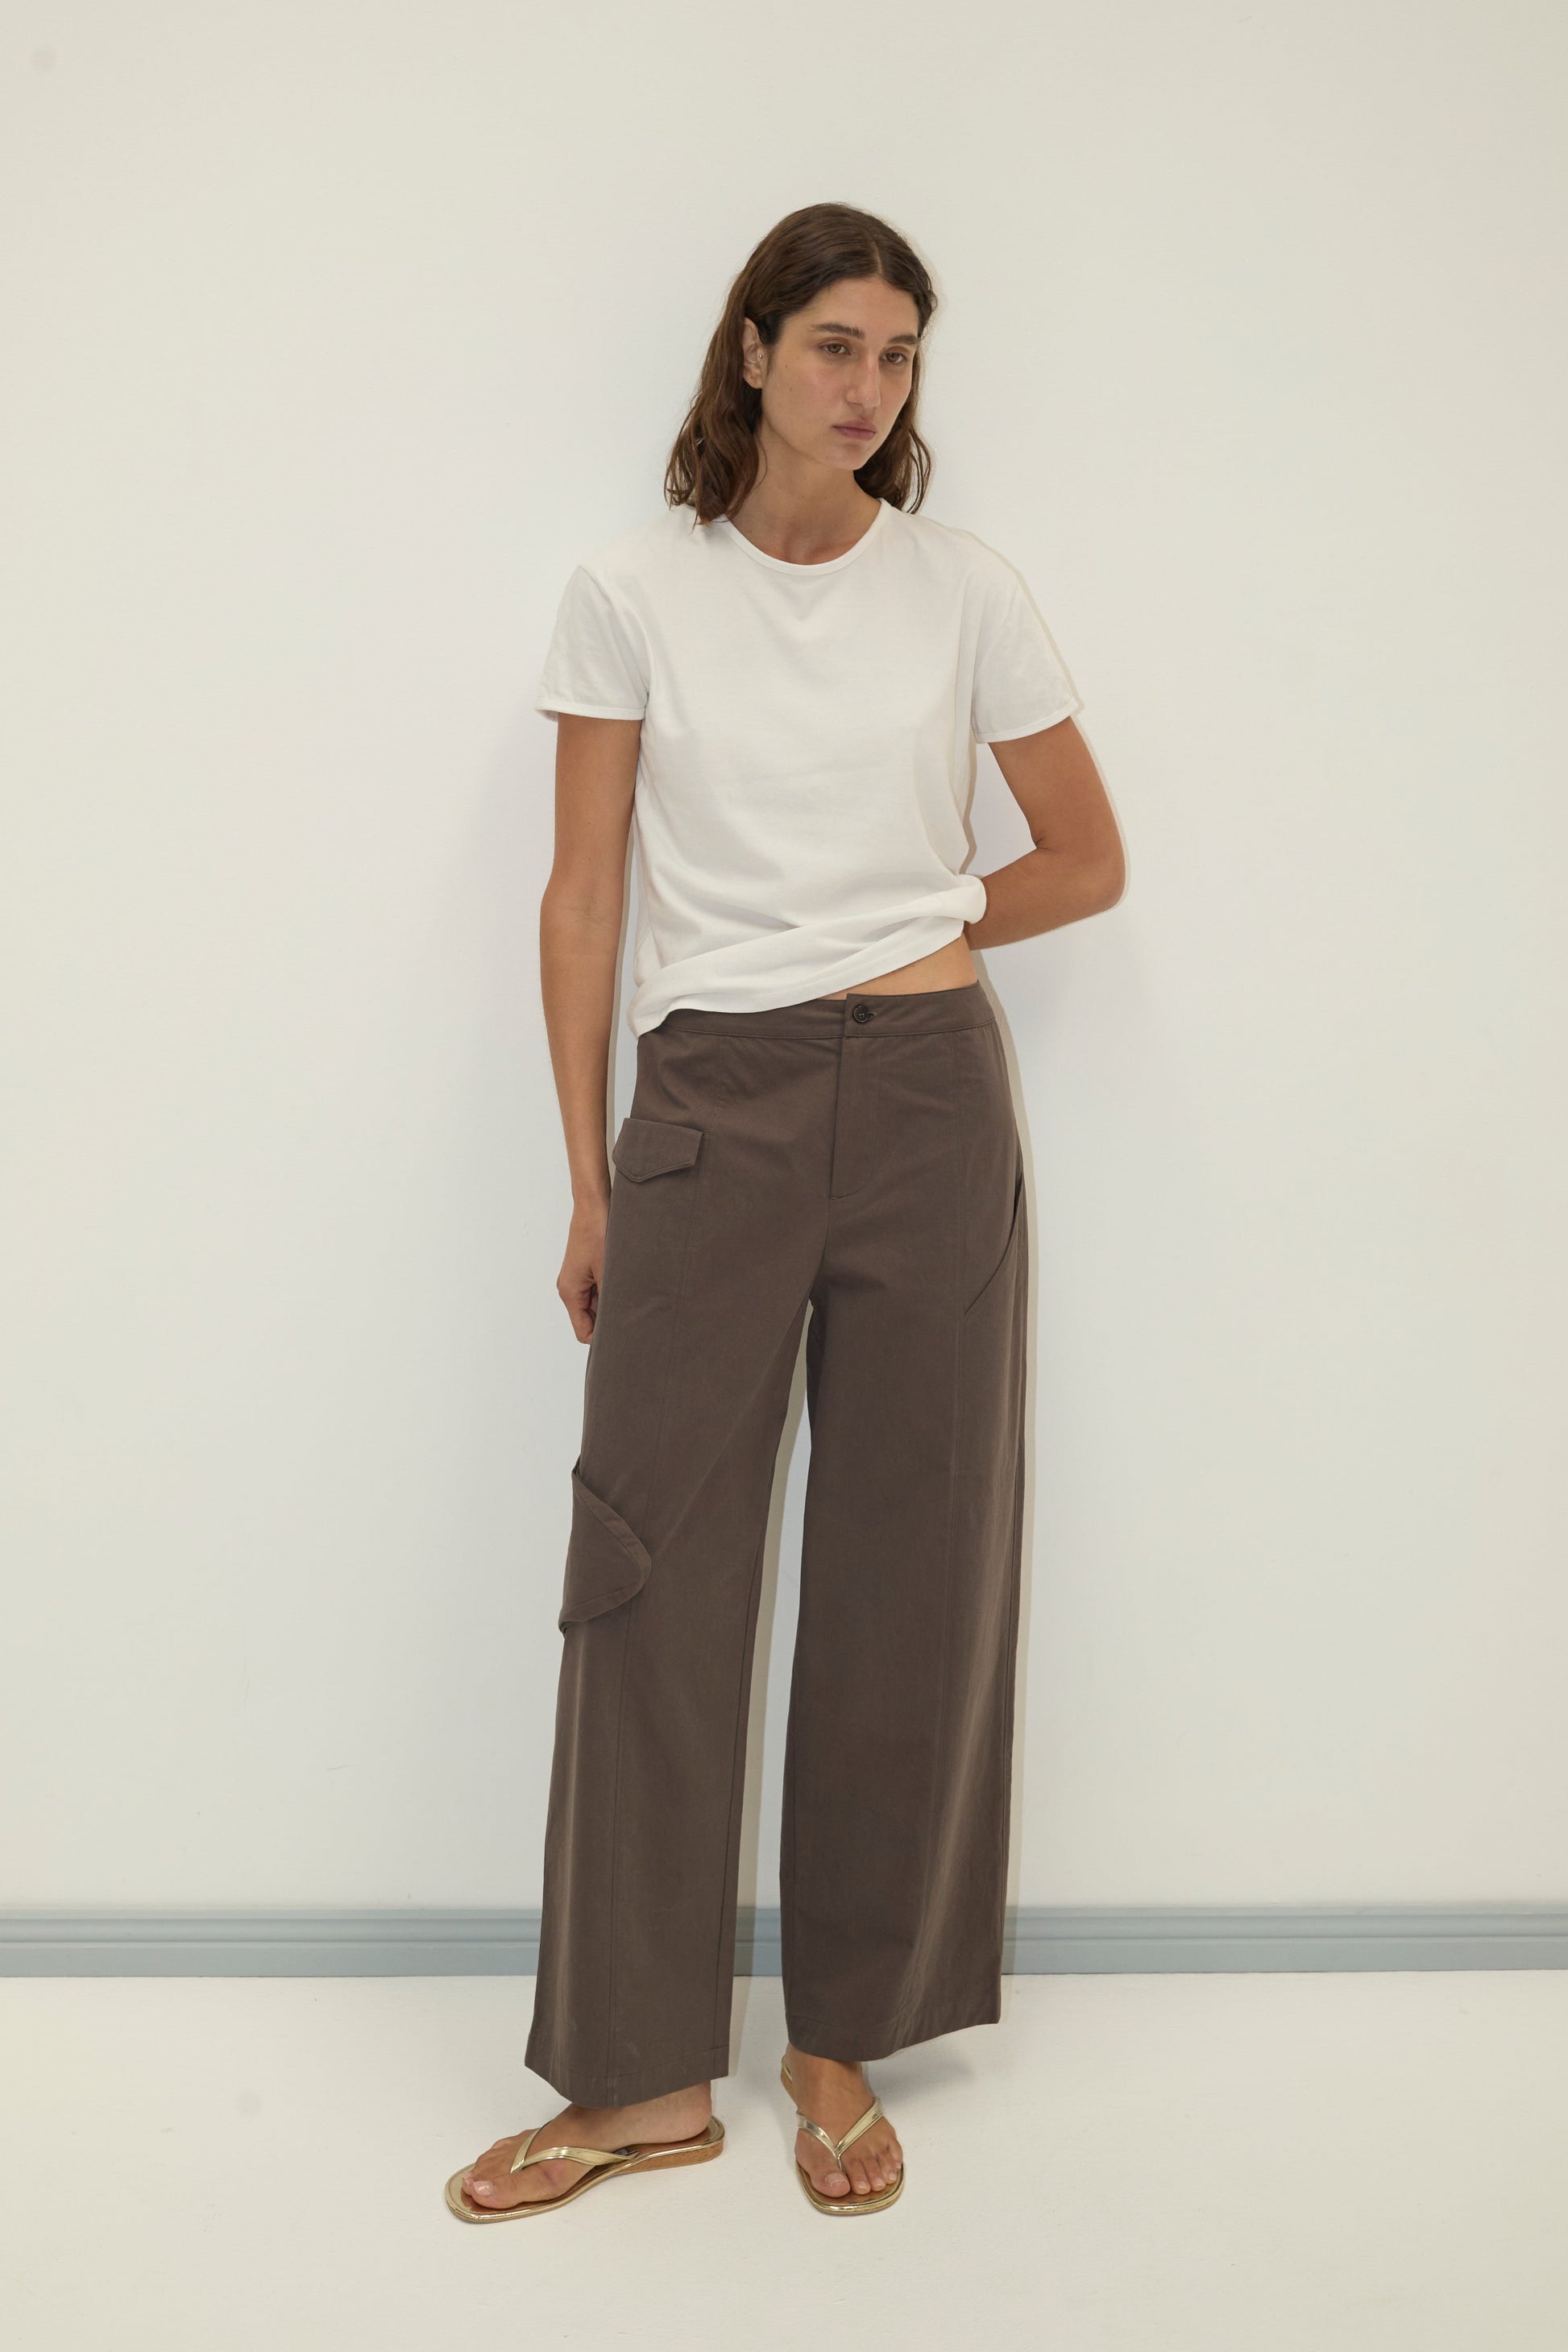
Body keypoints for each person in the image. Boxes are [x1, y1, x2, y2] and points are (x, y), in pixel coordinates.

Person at [446, 201, 1124, 2225]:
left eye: (900, 357)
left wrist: (913, 921)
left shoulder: (966, 589)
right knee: (650, 1563)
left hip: (928, 1100)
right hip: (712, 1109)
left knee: (913, 1558)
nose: (869, 389)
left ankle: (841, 2036)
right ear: (748, 351)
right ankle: (644, 2074)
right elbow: (583, 899)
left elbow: (1083, 856)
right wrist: (585, 1172)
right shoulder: (631, 587)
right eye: (834, 345)